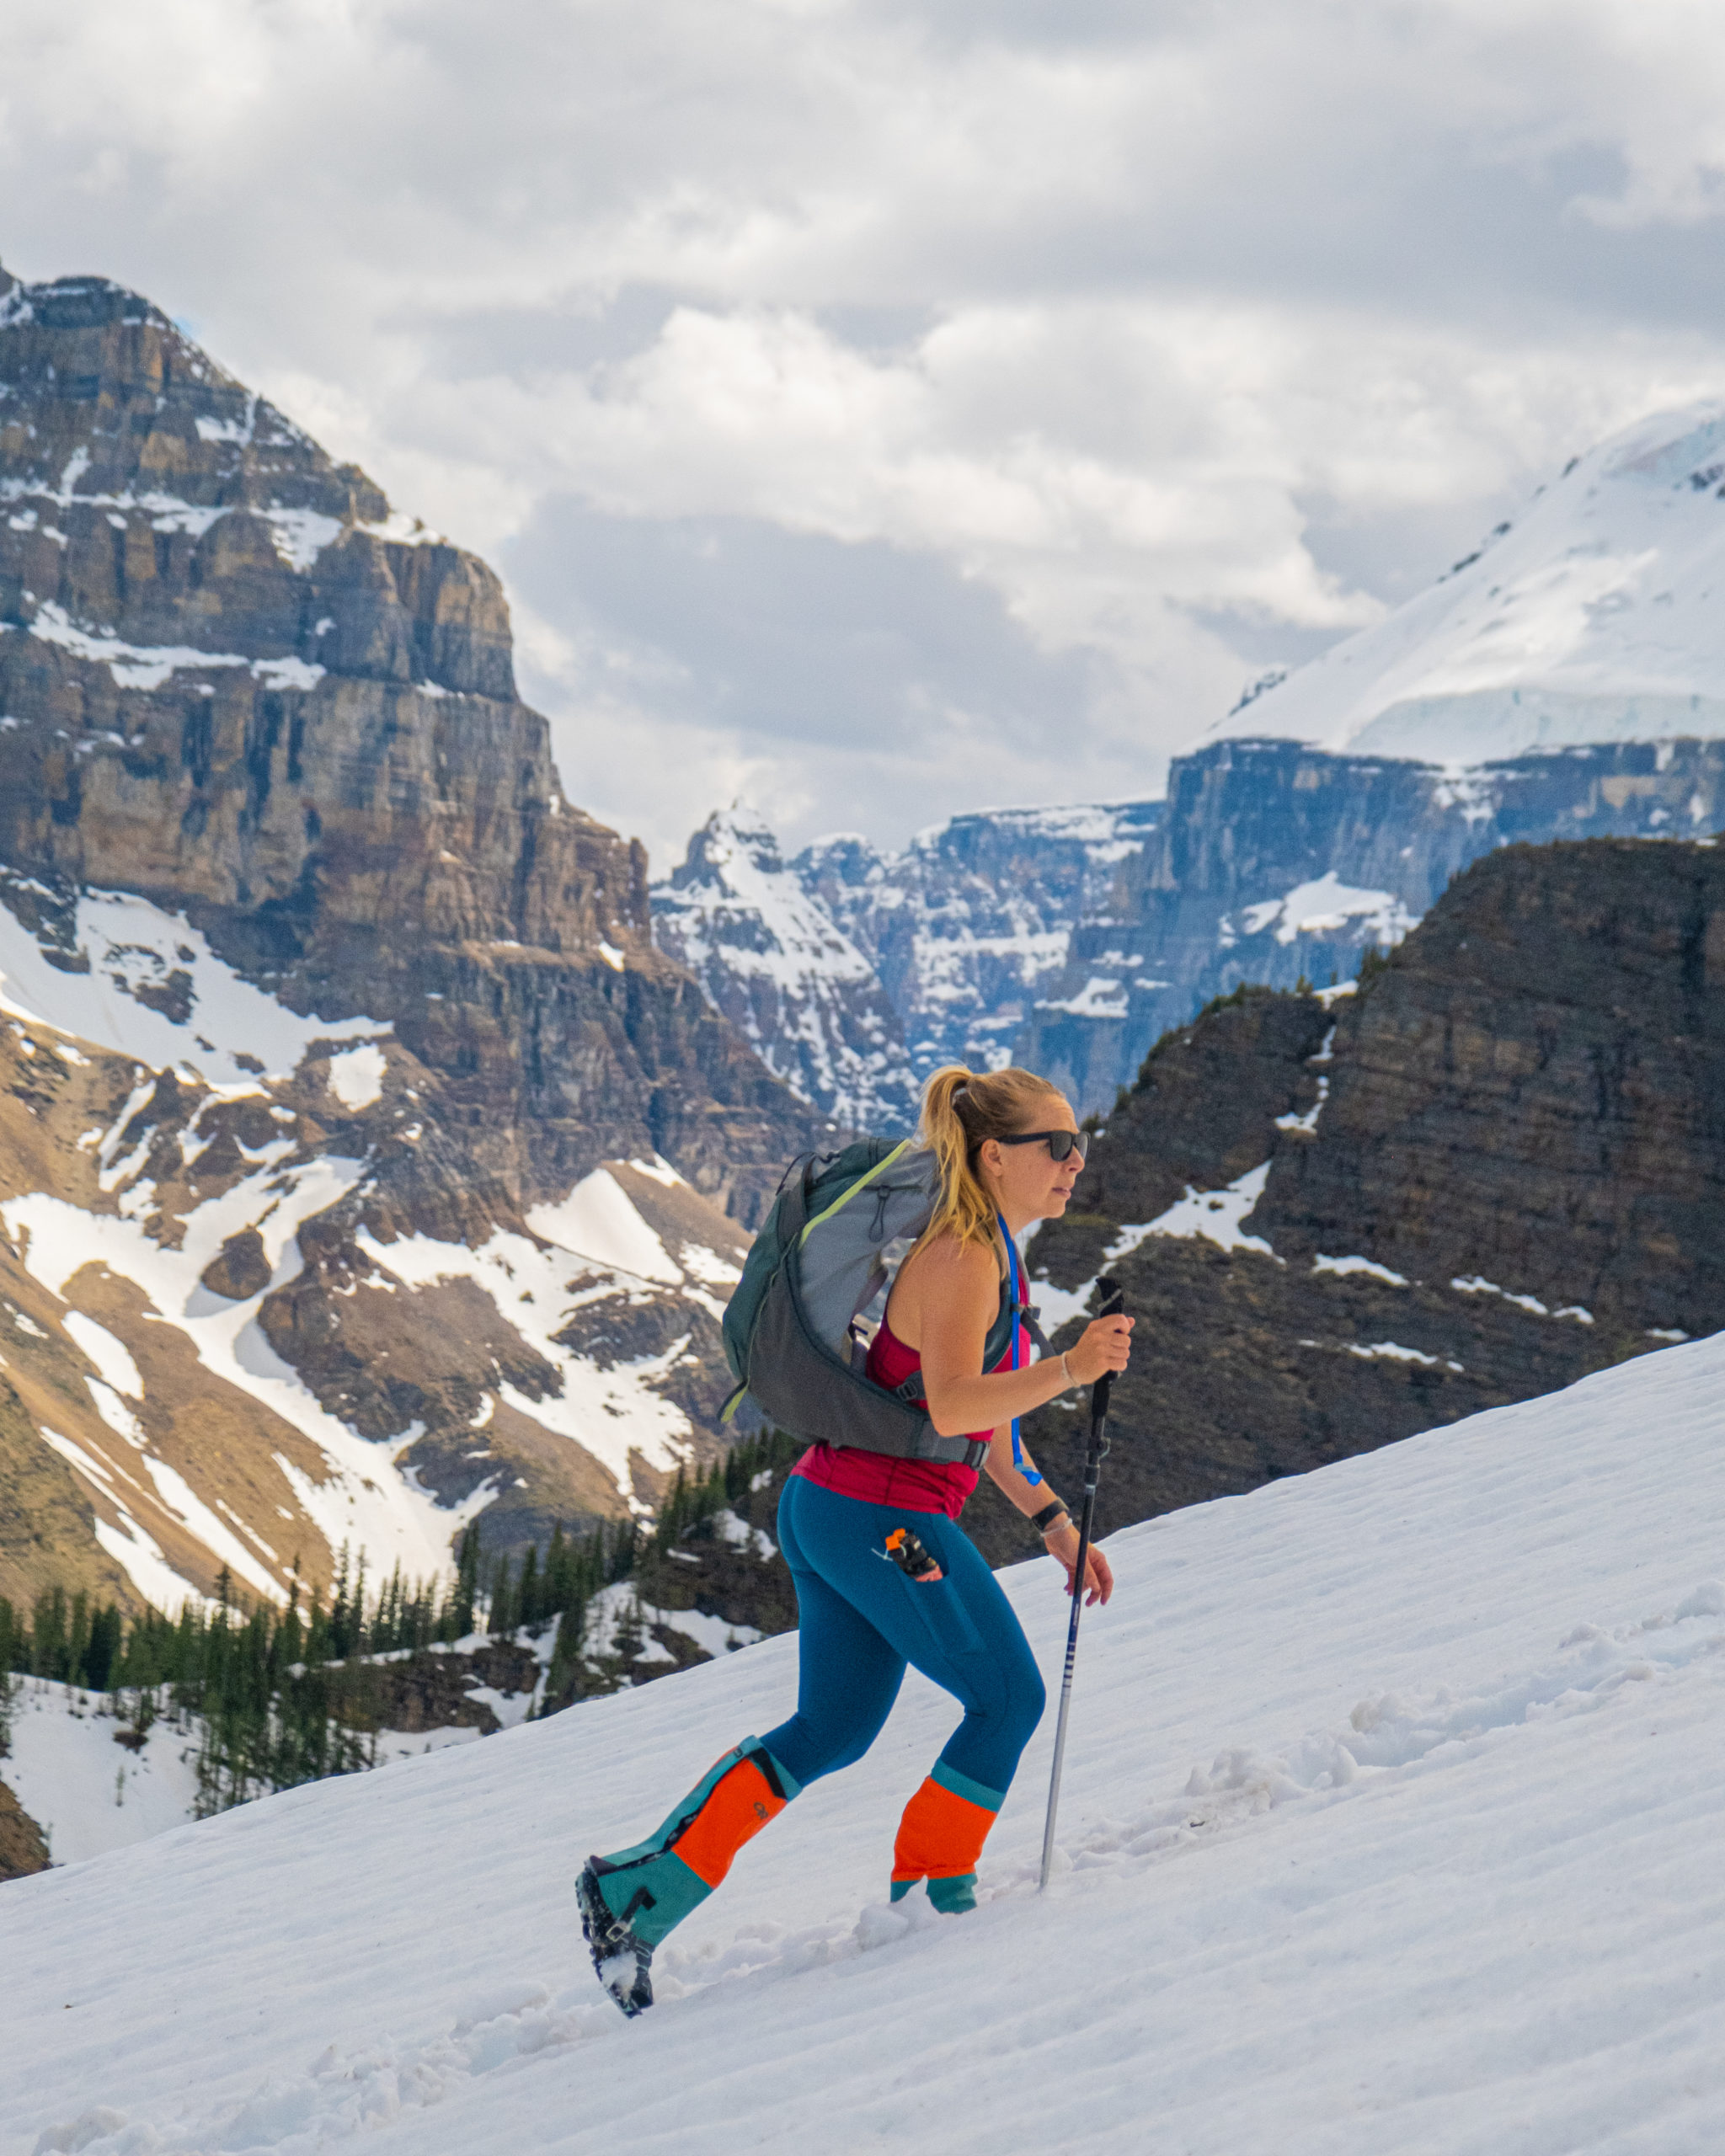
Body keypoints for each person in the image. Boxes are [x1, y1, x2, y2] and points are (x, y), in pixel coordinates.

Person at [578, 1065, 1135, 2011]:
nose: (1074, 1161)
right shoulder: (964, 1255)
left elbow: (979, 1426)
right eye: (1057, 1145)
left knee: (830, 1729)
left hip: (840, 1508)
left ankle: (632, 1893)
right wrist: (1071, 1368)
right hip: (884, 1516)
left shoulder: (991, 1249)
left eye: (1078, 1143)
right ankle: (929, 1902)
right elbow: (960, 1402)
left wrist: (1052, 1523)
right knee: (1006, 1696)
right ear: (995, 1155)